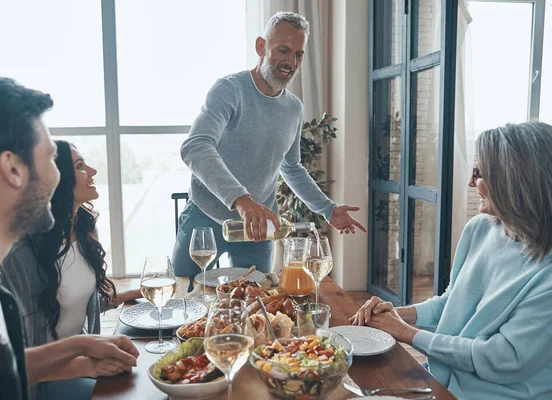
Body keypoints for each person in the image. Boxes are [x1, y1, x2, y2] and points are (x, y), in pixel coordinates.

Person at [0, 74, 139, 400]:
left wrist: (82, 346)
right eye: (50, 156)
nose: (57, 175)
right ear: (12, 170)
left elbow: (0, 368)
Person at [350, 121, 552, 399]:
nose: (470, 182)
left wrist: (406, 333)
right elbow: (452, 302)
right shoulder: (480, 228)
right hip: (440, 378)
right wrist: (396, 314)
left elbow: (504, 359)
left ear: (513, 179)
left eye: (478, 173)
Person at [172, 11, 367, 279]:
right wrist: (241, 200)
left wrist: (328, 209)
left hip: (259, 227)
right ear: (261, 47)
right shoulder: (230, 90)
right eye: (283, 50)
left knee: (254, 302)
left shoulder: (294, 108)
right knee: (182, 296)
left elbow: (292, 168)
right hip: (205, 216)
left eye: (298, 54)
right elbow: (195, 146)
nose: (291, 62)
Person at [0, 140, 142, 398]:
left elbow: (78, 300)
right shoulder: (21, 254)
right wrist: (86, 363)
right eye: (80, 166)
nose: (92, 171)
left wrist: (134, 293)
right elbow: (18, 354)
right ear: (57, 179)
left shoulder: (84, 229)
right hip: (45, 379)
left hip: (84, 357)